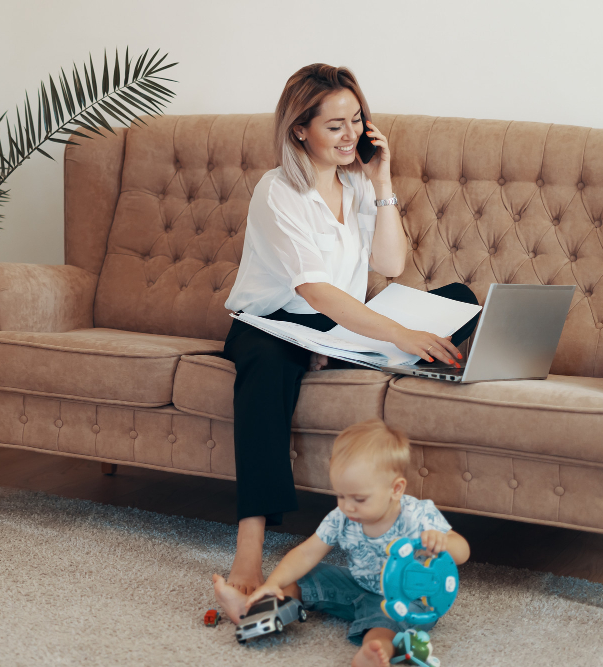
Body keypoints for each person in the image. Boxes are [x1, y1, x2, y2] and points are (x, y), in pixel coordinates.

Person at [218, 62, 479, 595]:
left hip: (335, 324)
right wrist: (397, 336)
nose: (351, 134)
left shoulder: (358, 183)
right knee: (270, 366)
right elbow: (314, 291)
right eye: (334, 125)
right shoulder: (277, 191)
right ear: (300, 129)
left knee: (461, 300)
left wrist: (381, 180)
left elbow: (389, 265)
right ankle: (249, 550)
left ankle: (335, 352)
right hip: (271, 325)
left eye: (356, 121)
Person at [213, 419, 470, 667]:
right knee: (307, 575)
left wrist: (441, 542)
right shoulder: (341, 517)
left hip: (406, 601)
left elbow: (463, 551)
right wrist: (271, 584)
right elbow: (306, 553)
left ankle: (374, 652)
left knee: (387, 622)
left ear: (396, 489)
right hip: (357, 586)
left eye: (359, 498)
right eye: (341, 495)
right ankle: (255, 609)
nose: (347, 506)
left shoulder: (416, 515)